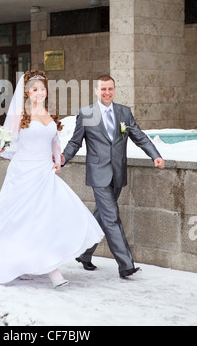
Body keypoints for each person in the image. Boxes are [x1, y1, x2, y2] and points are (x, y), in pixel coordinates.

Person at [0, 70, 104, 288]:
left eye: (43, 89)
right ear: (27, 92)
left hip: (44, 173)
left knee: (47, 219)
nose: (40, 92)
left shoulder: (49, 113)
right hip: (23, 174)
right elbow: (7, 139)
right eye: (35, 89)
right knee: (24, 221)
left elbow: (54, 140)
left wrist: (58, 160)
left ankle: (30, 265)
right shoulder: (20, 114)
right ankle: (51, 271)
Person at [61, 75, 165, 279]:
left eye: (110, 89)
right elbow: (75, 142)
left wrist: (156, 155)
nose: (107, 92)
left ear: (114, 90)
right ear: (96, 91)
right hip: (98, 173)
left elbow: (139, 136)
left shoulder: (123, 112)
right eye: (103, 89)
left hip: (117, 172)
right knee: (111, 218)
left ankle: (84, 254)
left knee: (101, 215)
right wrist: (62, 158)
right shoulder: (87, 113)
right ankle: (126, 264)